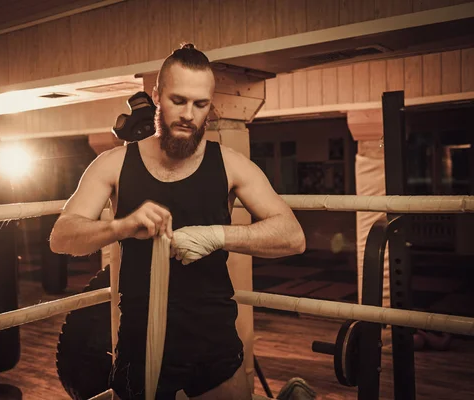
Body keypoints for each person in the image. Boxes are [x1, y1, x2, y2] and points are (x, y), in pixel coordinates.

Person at [50, 43, 306, 400]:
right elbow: (62, 238)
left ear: (210, 105)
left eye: (200, 104)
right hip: (141, 348)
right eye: (178, 100)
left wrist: (217, 235)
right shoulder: (114, 165)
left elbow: (292, 236)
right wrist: (121, 226)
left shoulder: (230, 164)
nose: (188, 114)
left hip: (215, 347)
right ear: (157, 96)